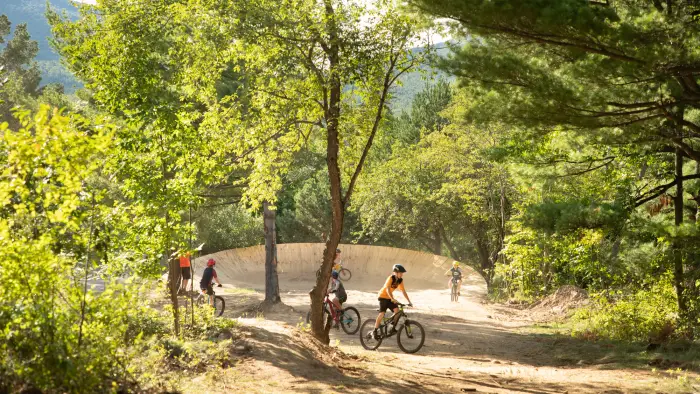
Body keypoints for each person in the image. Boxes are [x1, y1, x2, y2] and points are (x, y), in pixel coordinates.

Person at [373, 264, 413, 340]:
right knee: (381, 314)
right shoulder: (390, 278)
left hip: (389, 298)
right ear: (396, 272)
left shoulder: (400, 280)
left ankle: (392, 327)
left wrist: (409, 301)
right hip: (382, 297)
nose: (402, 274)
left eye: (402, 273)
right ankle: (375, 330)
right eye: (401, 273)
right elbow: (387, 289)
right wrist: (392, 298)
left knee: (397, 311)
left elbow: (403, 291)